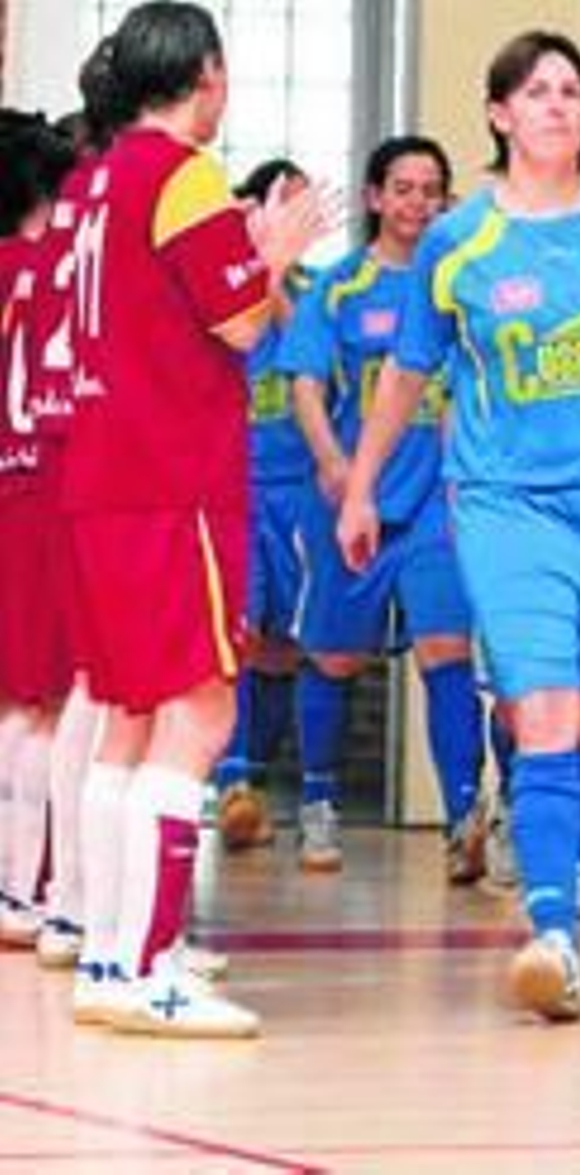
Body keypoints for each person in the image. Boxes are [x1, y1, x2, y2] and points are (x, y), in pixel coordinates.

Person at [339, 30, 580, 1023]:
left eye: (573, 90)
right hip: (506, 503)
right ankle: (553, 931)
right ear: (499, 114)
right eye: (538, 91)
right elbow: (407, 374)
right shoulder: (458, 242)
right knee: (543, 705)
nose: (559, 105)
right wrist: (360, 485)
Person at [61, 0, 329, 1037]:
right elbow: (240, 318)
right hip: (169, 478)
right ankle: (140, 966)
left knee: (129, 719)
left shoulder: (92, 183)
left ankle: (111, 952)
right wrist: (274, 248)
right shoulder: (182, 175)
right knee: (201, 711)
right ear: (208, 73)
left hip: (99, 478)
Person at [282, 135, 486, 881]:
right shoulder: (337, 287)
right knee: (334, 656)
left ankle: (466, 813)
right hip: (352, 501)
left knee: (447, 648)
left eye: (431, 189)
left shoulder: (457, 288)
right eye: (403, 188)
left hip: (436, 499)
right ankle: (318, 801)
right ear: (375, 198)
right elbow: (304, 380)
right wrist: (336, 466)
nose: (417, 202)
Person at [212, 157, 315, 853]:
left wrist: (279, 273)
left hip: (299, 485)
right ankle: (232, 782)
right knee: (237, 637)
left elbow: (313, 348)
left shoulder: (314, 289)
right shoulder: (223, 281)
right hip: (235, 482)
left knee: (283, 645)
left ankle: (260, 779)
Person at [0, 111, 79, 953]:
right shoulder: (59, 268)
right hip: (44, 494)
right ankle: (30, 887)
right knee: (47, 706)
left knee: (12, 702)